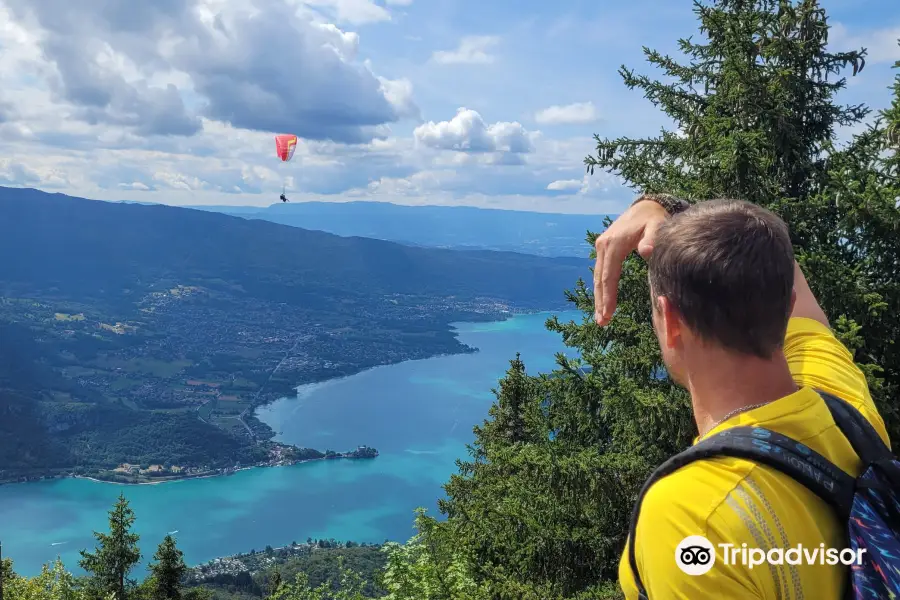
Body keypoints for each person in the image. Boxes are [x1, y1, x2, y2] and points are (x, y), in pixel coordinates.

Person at [594, 194, 891, 599]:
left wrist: (659, 205)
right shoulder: (839, 396)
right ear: (786, 307)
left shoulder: (692, 516)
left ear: (671, 320)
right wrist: (668, 209)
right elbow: (783, 270)